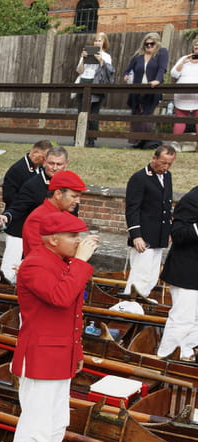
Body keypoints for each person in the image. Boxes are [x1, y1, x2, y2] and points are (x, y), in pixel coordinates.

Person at [10, 212, 98, 442]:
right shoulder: (35, 264)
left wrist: (77, 352)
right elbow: (61, 298)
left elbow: (73, 313)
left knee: (58, 424)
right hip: (41, 356)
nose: (78, 241)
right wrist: (81, 262)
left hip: (59, 354)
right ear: (52, 240)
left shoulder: (60, 261)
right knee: (37, 426)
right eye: (73, 236)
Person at [0, 146, 70, 283]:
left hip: (53, 239)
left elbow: (72, 215)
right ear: (45, 162)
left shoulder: (69, 185)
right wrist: (7, 216)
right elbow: (19, 206)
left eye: (59, 164)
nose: (54, 167)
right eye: (51, 163)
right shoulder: (33, 184)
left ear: (66, 164)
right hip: (23, 234)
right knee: (10, 275)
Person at [124, 145, 176, 298]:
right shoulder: (139, 178)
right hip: (144, 236)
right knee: (140, 275)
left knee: (152, 276)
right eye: (163, 163)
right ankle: (129, 306)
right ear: (154, 158)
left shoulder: (167, 176)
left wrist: (168, 230)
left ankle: (140, 304)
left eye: (169, 164)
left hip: (159, 236)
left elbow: (166, 205)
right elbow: (132, 209)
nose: (165, 167)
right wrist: (136, 236)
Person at [157, 186, 198, 361]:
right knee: (182, 320)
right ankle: (165, 357)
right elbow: (178, 234)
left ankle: (185, 356)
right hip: (186, 271)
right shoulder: (192, 199)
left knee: (195, 322)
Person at [22, 170, 88, 257]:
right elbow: (39, 255)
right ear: (58, 194)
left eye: (79, 197)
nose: (78, 201)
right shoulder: (37, 218)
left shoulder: (63, 214)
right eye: (74, 196)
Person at [123, 32, 168, 149]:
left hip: (151, 89)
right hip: (137, 89)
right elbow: (128, 70)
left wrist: (157, 80)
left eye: (151, 44)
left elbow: (162, 69)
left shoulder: (162, 53)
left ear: (157, 43)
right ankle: (136, 141)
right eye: (146, 44)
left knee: (147, 114)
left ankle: (146, 140)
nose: (148, 46)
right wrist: (126, 75)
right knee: (136, 114)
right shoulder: (137, 56)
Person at [75, 32, 114, 147]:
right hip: (84, 81)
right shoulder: (86, 53)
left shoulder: (107, 56)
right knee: (81, 111)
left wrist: (101, 60)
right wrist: (83, 58)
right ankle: (78, 137)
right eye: (96, 40)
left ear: (104, 43)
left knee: (94, 112)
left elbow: (108, 71)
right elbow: (79, 70)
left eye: (100, 41)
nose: (97, 42)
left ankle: (92, 138)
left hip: (96, 82)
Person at [1, 140, 51, 214]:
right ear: (35, 153)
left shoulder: (42, 169)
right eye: (43, 158)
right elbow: (9, 197)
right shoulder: (17, 170)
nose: (45, 162)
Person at [170, 39, 198, 146]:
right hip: (182, 95)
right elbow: (174, 74)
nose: (197, 46)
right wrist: (183, 62)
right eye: (195, 44)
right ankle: (175, 143)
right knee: (180, 119)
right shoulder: (184, 58)